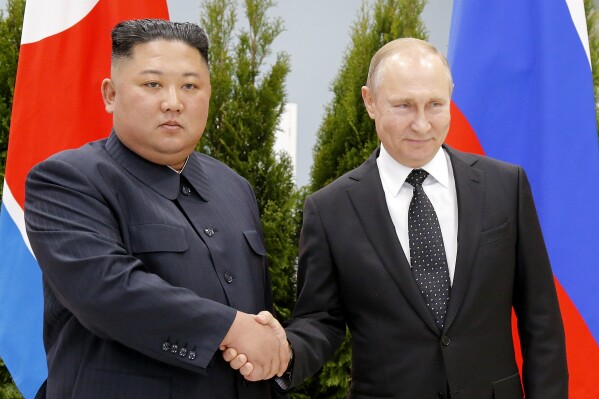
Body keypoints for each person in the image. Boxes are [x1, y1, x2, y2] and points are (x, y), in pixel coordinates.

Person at [226, 38, 568, 398]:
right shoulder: (330, 209)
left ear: (450, 95)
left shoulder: (505, 186)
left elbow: (541, 319)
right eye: (404, 105)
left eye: (435, 104)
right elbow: (321, 320)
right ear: (370, 102)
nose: (421, 124)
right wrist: (286, 351)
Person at [24, 19, 289, 399]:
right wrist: (230, 328)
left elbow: (258, 316)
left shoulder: (235, 187)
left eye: (190, 86)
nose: (173, 102)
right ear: (111, 94)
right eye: (152, 84)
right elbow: (108, 291)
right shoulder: (66, 180)